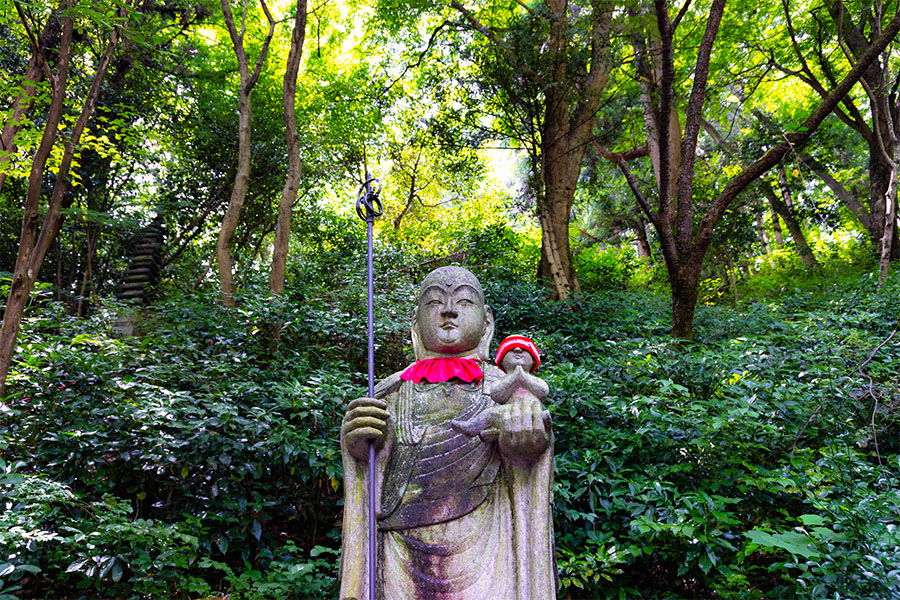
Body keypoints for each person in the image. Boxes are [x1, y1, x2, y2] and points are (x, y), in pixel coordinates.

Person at [340, 266, 556, 600]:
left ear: (487, 323)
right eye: (435, 302)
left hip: (485, 546)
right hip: (399, 549)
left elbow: (528, 458)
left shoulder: (504, 389)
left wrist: (523, 441)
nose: (449, 310)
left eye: (464, 302)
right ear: (415, 324)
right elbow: (368, 470)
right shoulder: (391, 393)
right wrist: (362, 444)